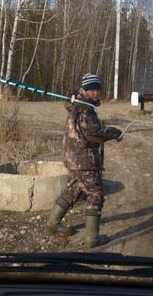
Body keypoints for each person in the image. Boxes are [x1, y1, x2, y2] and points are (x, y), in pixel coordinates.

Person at [46, 74, 123, 247]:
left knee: (73, 189)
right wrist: (114, 132)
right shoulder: (84, 109)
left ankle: (52, 223)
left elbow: (86, 129)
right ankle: (92, 239)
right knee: (95, 194)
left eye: (98, 89)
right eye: (92, 90)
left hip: (73, 157)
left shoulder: (77, 104)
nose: (96, 93)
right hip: (84, 160)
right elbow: (92, 134)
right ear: (85, 90)